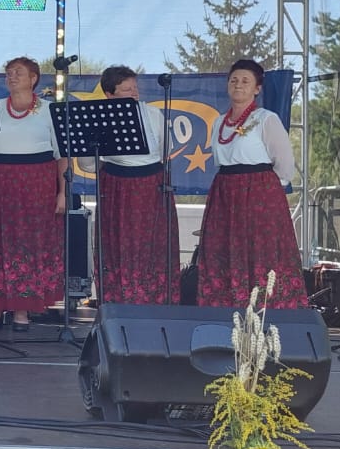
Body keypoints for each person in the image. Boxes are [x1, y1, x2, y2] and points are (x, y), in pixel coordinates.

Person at [196, 59, 307, 309]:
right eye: (234, 80)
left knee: (260, 251)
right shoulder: (219, 122)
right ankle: (226, 306)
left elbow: (285, 164)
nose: (238, 85)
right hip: (225, 192)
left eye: (245, 81)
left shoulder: (266, 119)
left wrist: (264, 190)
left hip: (259, 193)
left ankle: (268, 310)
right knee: (223, 249)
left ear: (257, 88)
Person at [0, 56, 66, 330]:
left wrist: (62, 193)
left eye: (18, 72)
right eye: (9, 72)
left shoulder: (49, 110)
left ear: (33, 79)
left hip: (37, 187)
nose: (11, 76)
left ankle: (23, 309)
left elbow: (62, 155)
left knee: (29, 245)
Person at [94, 66, 177, 305]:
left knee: (153, 244)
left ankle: (156, 302)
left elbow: (166, 149)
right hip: (116, 186)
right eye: (126, 89)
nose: (134, 93)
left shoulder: (152, 113)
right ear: (109, 94)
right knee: (116, 243)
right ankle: (117, 302)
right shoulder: (99, 117)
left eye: (135, 87)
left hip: (151, 184)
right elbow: (89, 162)